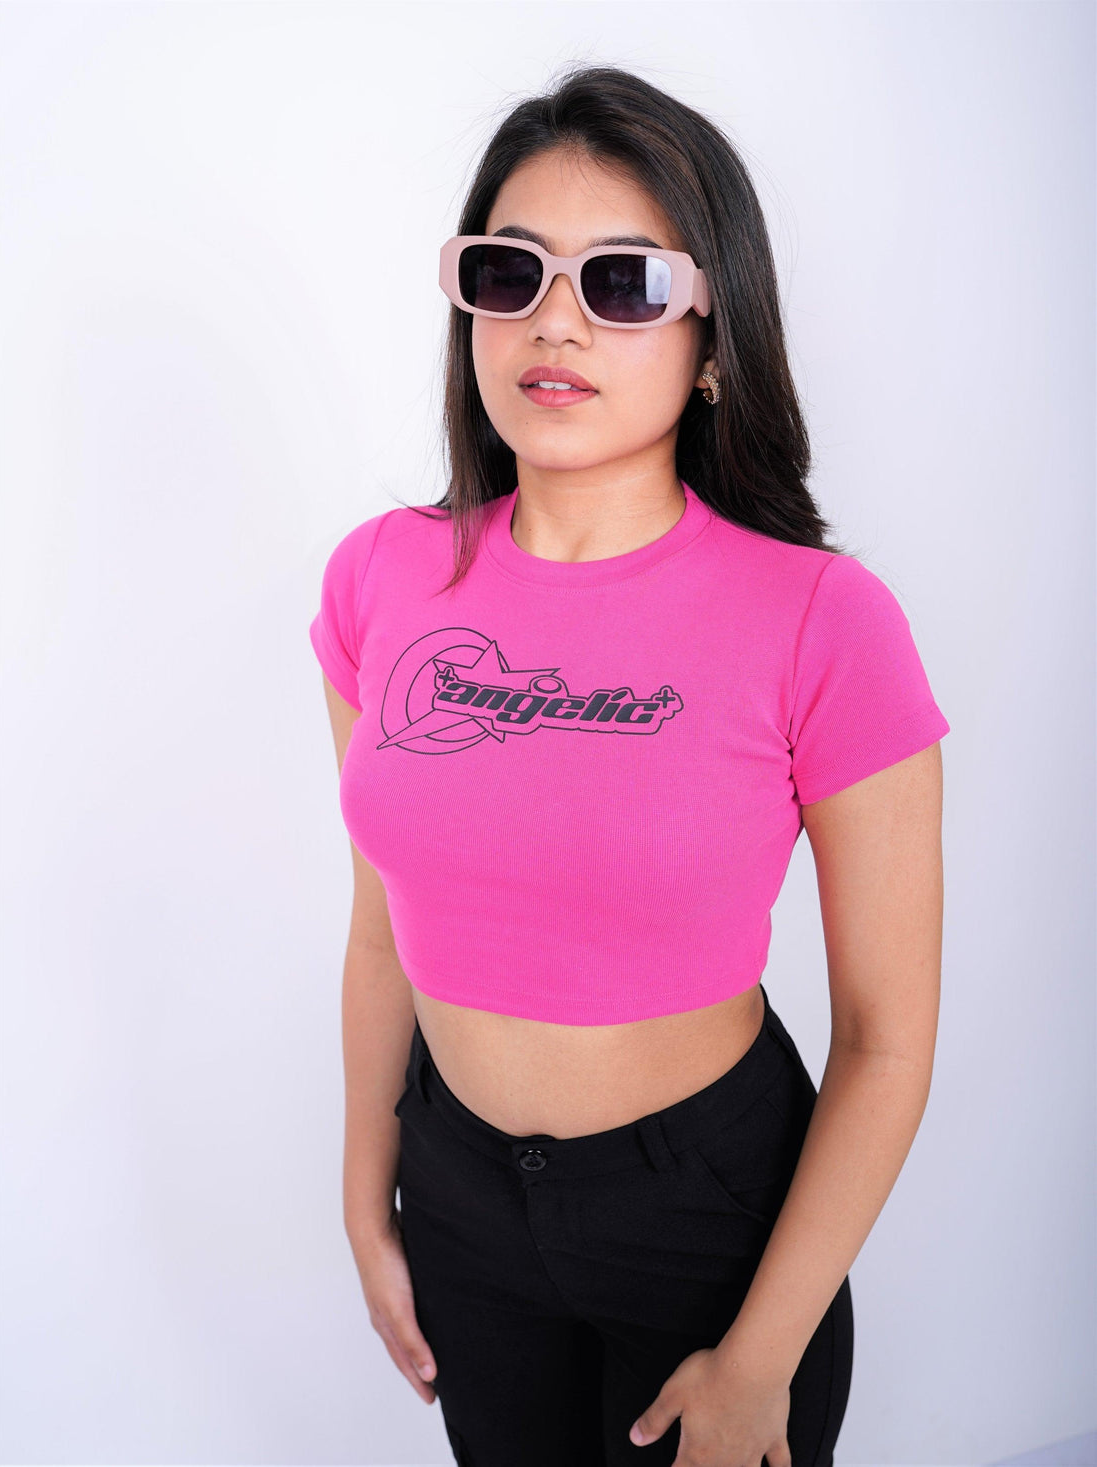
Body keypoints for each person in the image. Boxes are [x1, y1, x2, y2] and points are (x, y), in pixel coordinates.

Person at [309, 64, 949, 1467]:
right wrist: (367, 1198)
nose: (556, 320)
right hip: (458, 1194)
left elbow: (887, 1039)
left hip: (708, 1220)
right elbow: (379, 935)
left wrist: (762, 1358)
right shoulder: (379, 580)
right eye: (511, 272)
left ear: (714, 339)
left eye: (624, 284)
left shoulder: (824, 621)